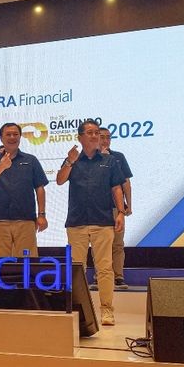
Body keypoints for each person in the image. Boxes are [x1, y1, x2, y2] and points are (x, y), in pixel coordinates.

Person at [56, 119, 125, 326]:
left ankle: (107, 310)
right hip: (76, 222)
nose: (95, 136)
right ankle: (80, 309)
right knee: (77, 269)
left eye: (97, 132)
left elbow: (116, 188)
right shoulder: (72, 160)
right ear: (80, 137)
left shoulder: (110, 161)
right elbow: (60, 180)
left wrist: (121, 212)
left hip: (103, 221)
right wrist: (69, 162)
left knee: (104, 268)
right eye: (90, 132)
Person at [0, 123, 48, 257]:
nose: (12, 137)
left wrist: (41, 215)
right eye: (8, 134)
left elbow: (40, 188)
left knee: (28, 261)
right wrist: (2, 166)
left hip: (26, 219)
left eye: (15, 134)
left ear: (20, 137)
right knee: (1, 263)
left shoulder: (31, 160)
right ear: (1, 138)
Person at [100, 127, 133, 289]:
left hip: (116, 208)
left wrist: (129, 205)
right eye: (102, 137)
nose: (105, 140)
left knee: (117, 244)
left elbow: (125, 182)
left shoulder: (118, 157)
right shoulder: (89, 158)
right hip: (97, 208)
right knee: (101, 244)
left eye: (108, 137)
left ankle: (118, 276)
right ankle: (101, 276)